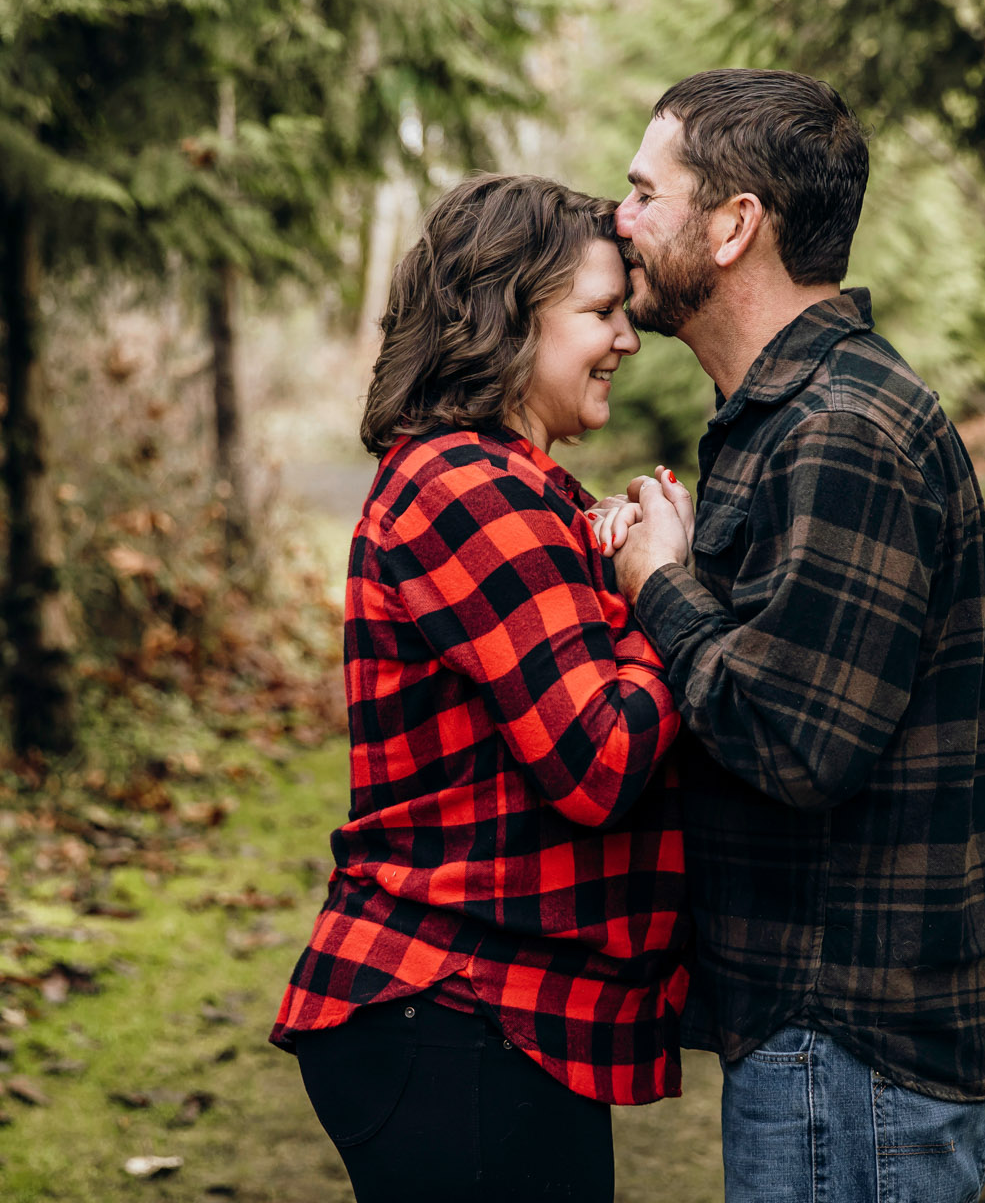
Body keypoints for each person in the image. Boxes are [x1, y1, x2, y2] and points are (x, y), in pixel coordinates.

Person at [607, 70, 985, 1203]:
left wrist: (658, 584)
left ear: (734, 225)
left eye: (644, 191)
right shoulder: (789, 417)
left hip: (850, 1046)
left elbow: (795, 741)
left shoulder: (839, 432)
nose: (618, 219)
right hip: (826, 1035)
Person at [271, 174, 691, 1203]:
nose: (626, 340)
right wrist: (664, 594)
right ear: (508, 321)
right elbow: (601, 761)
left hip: (488, 1016)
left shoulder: (522, 491)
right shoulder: (468, 489)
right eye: (599, 313)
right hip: (455, 1010)